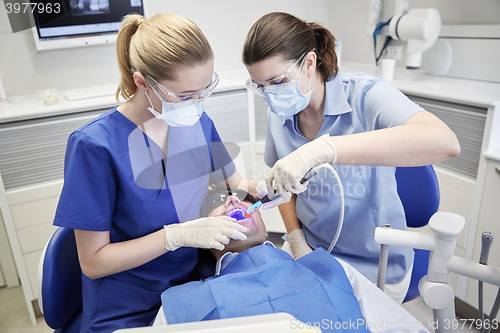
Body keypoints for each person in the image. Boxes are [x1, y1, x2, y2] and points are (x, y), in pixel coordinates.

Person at [53, 13, 259, 332]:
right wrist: (174, 236)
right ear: (141, 82)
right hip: (128, 307)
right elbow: (93, 263)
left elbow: (236, 184)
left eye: (206, 90)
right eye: (186, 96)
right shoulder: (95, 147)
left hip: (193, 285)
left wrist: (265, 186)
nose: (198, 104)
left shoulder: (197, 123)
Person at [242, 12, 461, 303]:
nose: (270, 95)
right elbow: (287, 190)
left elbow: (445, 142)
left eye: (277, 81)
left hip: (376, 262)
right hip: (310, 249)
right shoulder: (278, 114)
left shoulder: (365, 96)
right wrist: (295, 240)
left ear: (308, 63)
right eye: (261, 87)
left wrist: (322, 150)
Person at [152, 186, 430, 333]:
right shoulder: (180, 303)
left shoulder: (330, 268)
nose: (235, 203)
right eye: (217, 204)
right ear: (200, 233)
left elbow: (404, 328)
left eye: (241, 199)